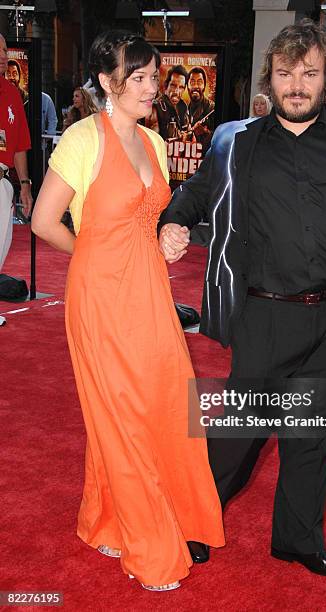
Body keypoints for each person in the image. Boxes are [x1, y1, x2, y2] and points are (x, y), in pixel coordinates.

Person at [158, 20, 326, 580]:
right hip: (263, 315)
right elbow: (196, 190)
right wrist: (173, 222)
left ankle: (297, 540)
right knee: (239, 434)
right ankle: (193, 520)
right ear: (271, 78)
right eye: (286, 73)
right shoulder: (236, 140)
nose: (297, 85)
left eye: (309, 73)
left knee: (314, 437)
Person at [31, 30, 224, 590]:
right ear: (107, 83)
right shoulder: (80, 139)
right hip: (100, 297)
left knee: (163, 405)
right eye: (138, 77)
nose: (150, 88)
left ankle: (111, 518)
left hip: (151, 296)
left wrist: (168, 237)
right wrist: (94, 252)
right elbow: (45, 222)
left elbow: (157, 215)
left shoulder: (156, 143)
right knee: (120, 415)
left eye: (153, 77)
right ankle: (148, 541)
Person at [0, 34, 33, 326]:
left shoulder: (12, 93)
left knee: (2, 244)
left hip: (3, 180)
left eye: (4, 49)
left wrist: (25, 186)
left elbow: (20, 143)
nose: (1, 55)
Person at [148, 65, 189, 141]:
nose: (176, 92)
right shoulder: (156, 107)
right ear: (166, 86)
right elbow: (152, 141)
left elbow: (187, 130)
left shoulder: (183, 106)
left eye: (181, 87)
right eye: (173, 86)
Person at [187, 66, 215, 153]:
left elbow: (220, 137)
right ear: (187, 85)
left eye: (199, 82)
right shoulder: (184, 108)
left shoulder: (212, 108)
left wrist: (205, 132)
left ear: (204, 85)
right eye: (192, 82)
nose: (195, 86)